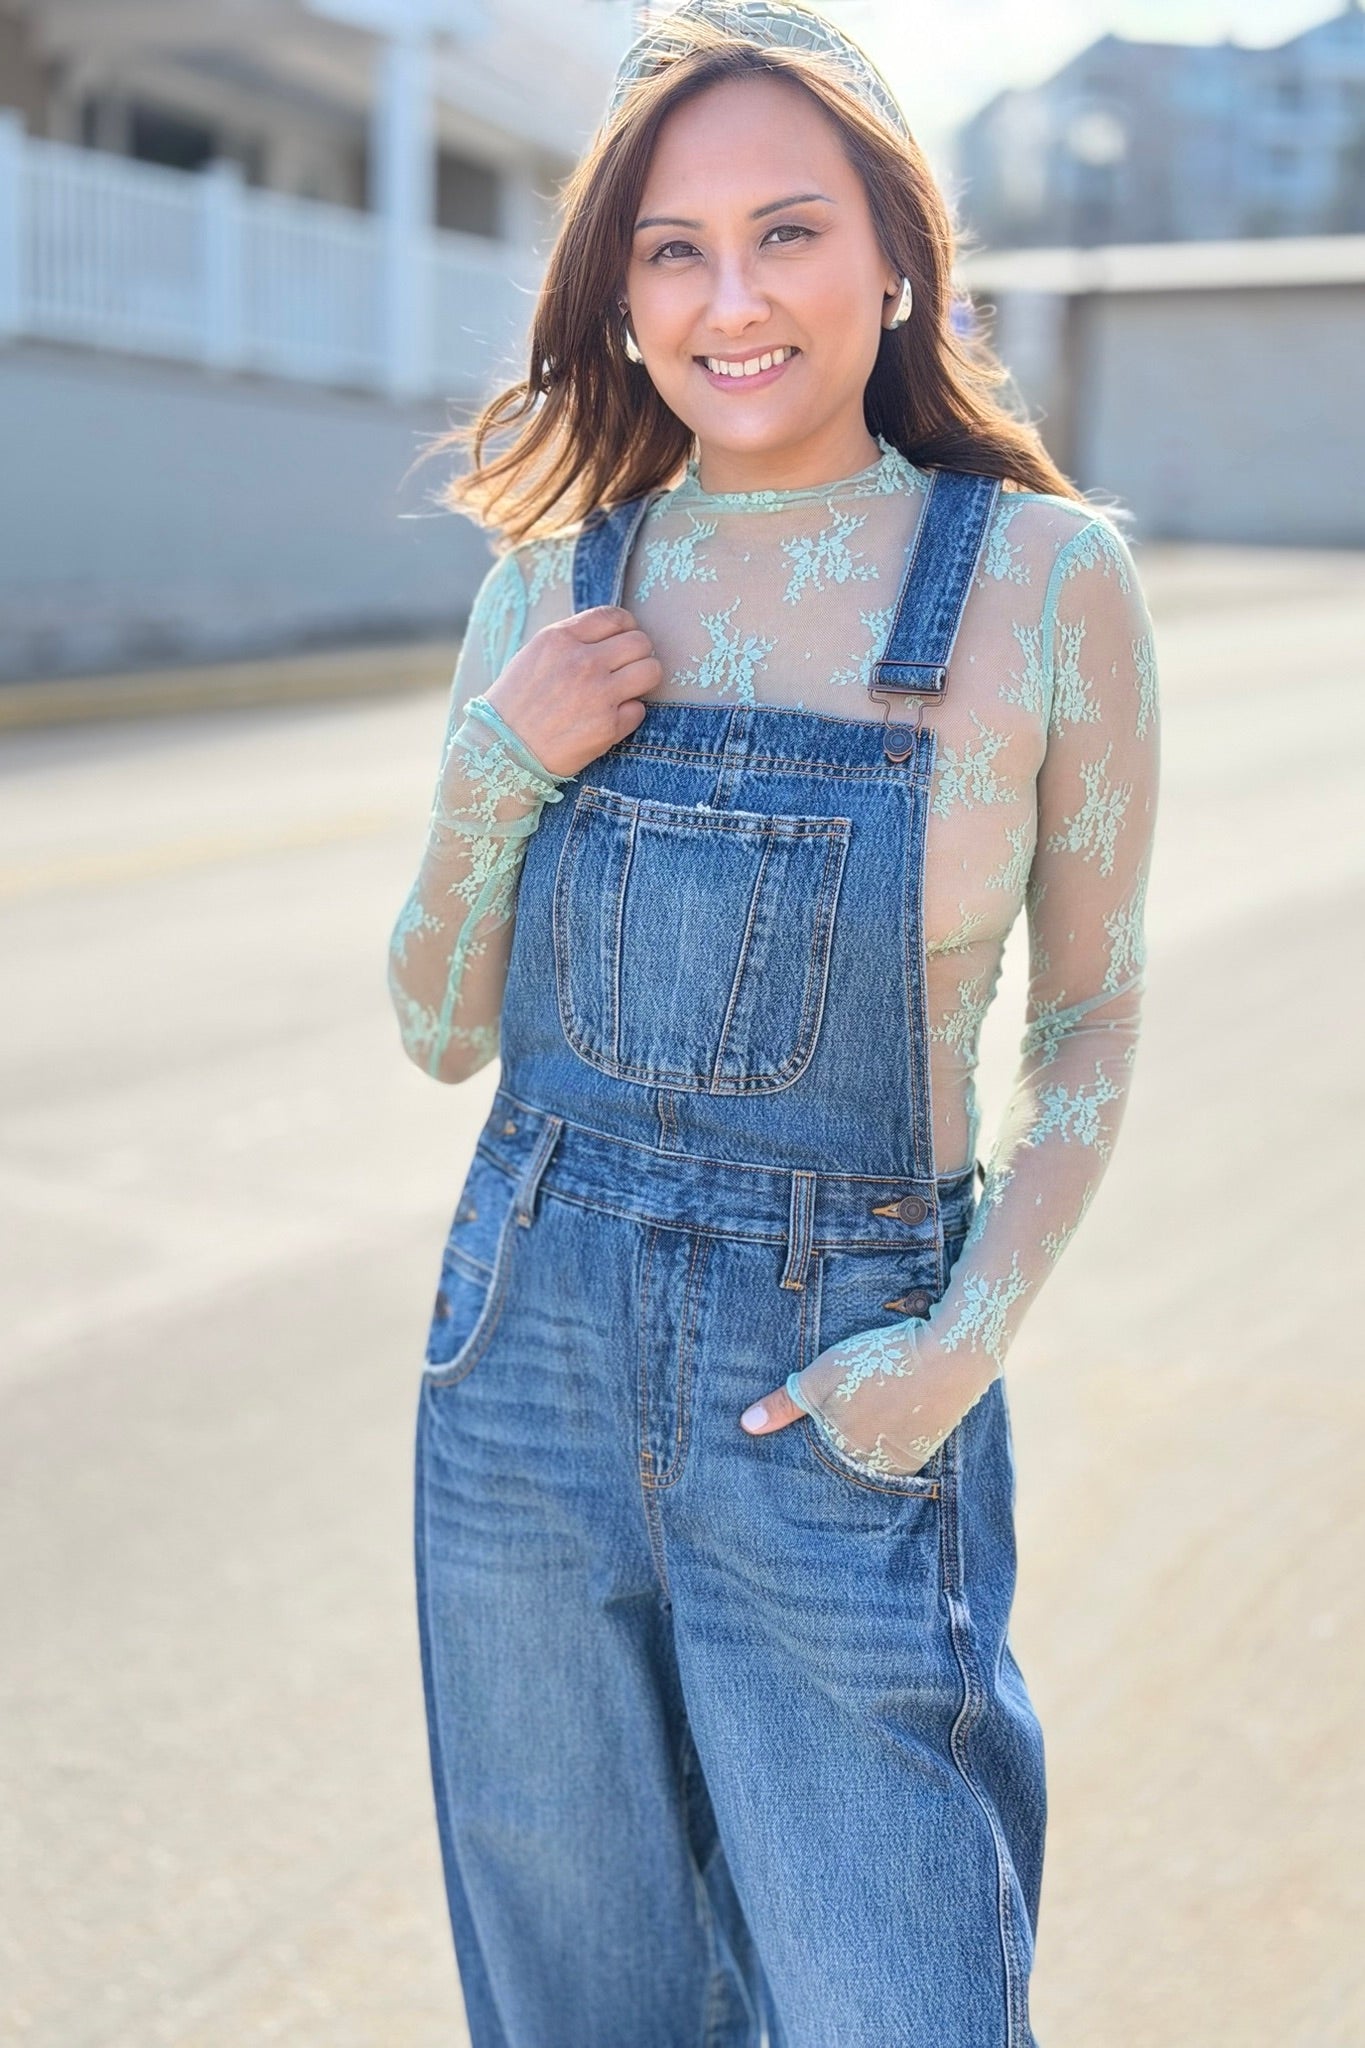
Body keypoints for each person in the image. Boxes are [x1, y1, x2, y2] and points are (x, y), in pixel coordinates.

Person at [388, 4, 1159, 2043]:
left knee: (896, 2002)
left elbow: (1086, 1014)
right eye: (671, 249)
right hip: (522, 1374)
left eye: (786, 232)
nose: (731, 300)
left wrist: (948, 1356)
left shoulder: (1039, 582)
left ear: (894, 257)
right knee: (584, 2008)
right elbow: (431, 1027)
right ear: (617, 299)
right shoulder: (550, 592)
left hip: (839, 1378)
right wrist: (500, 762)